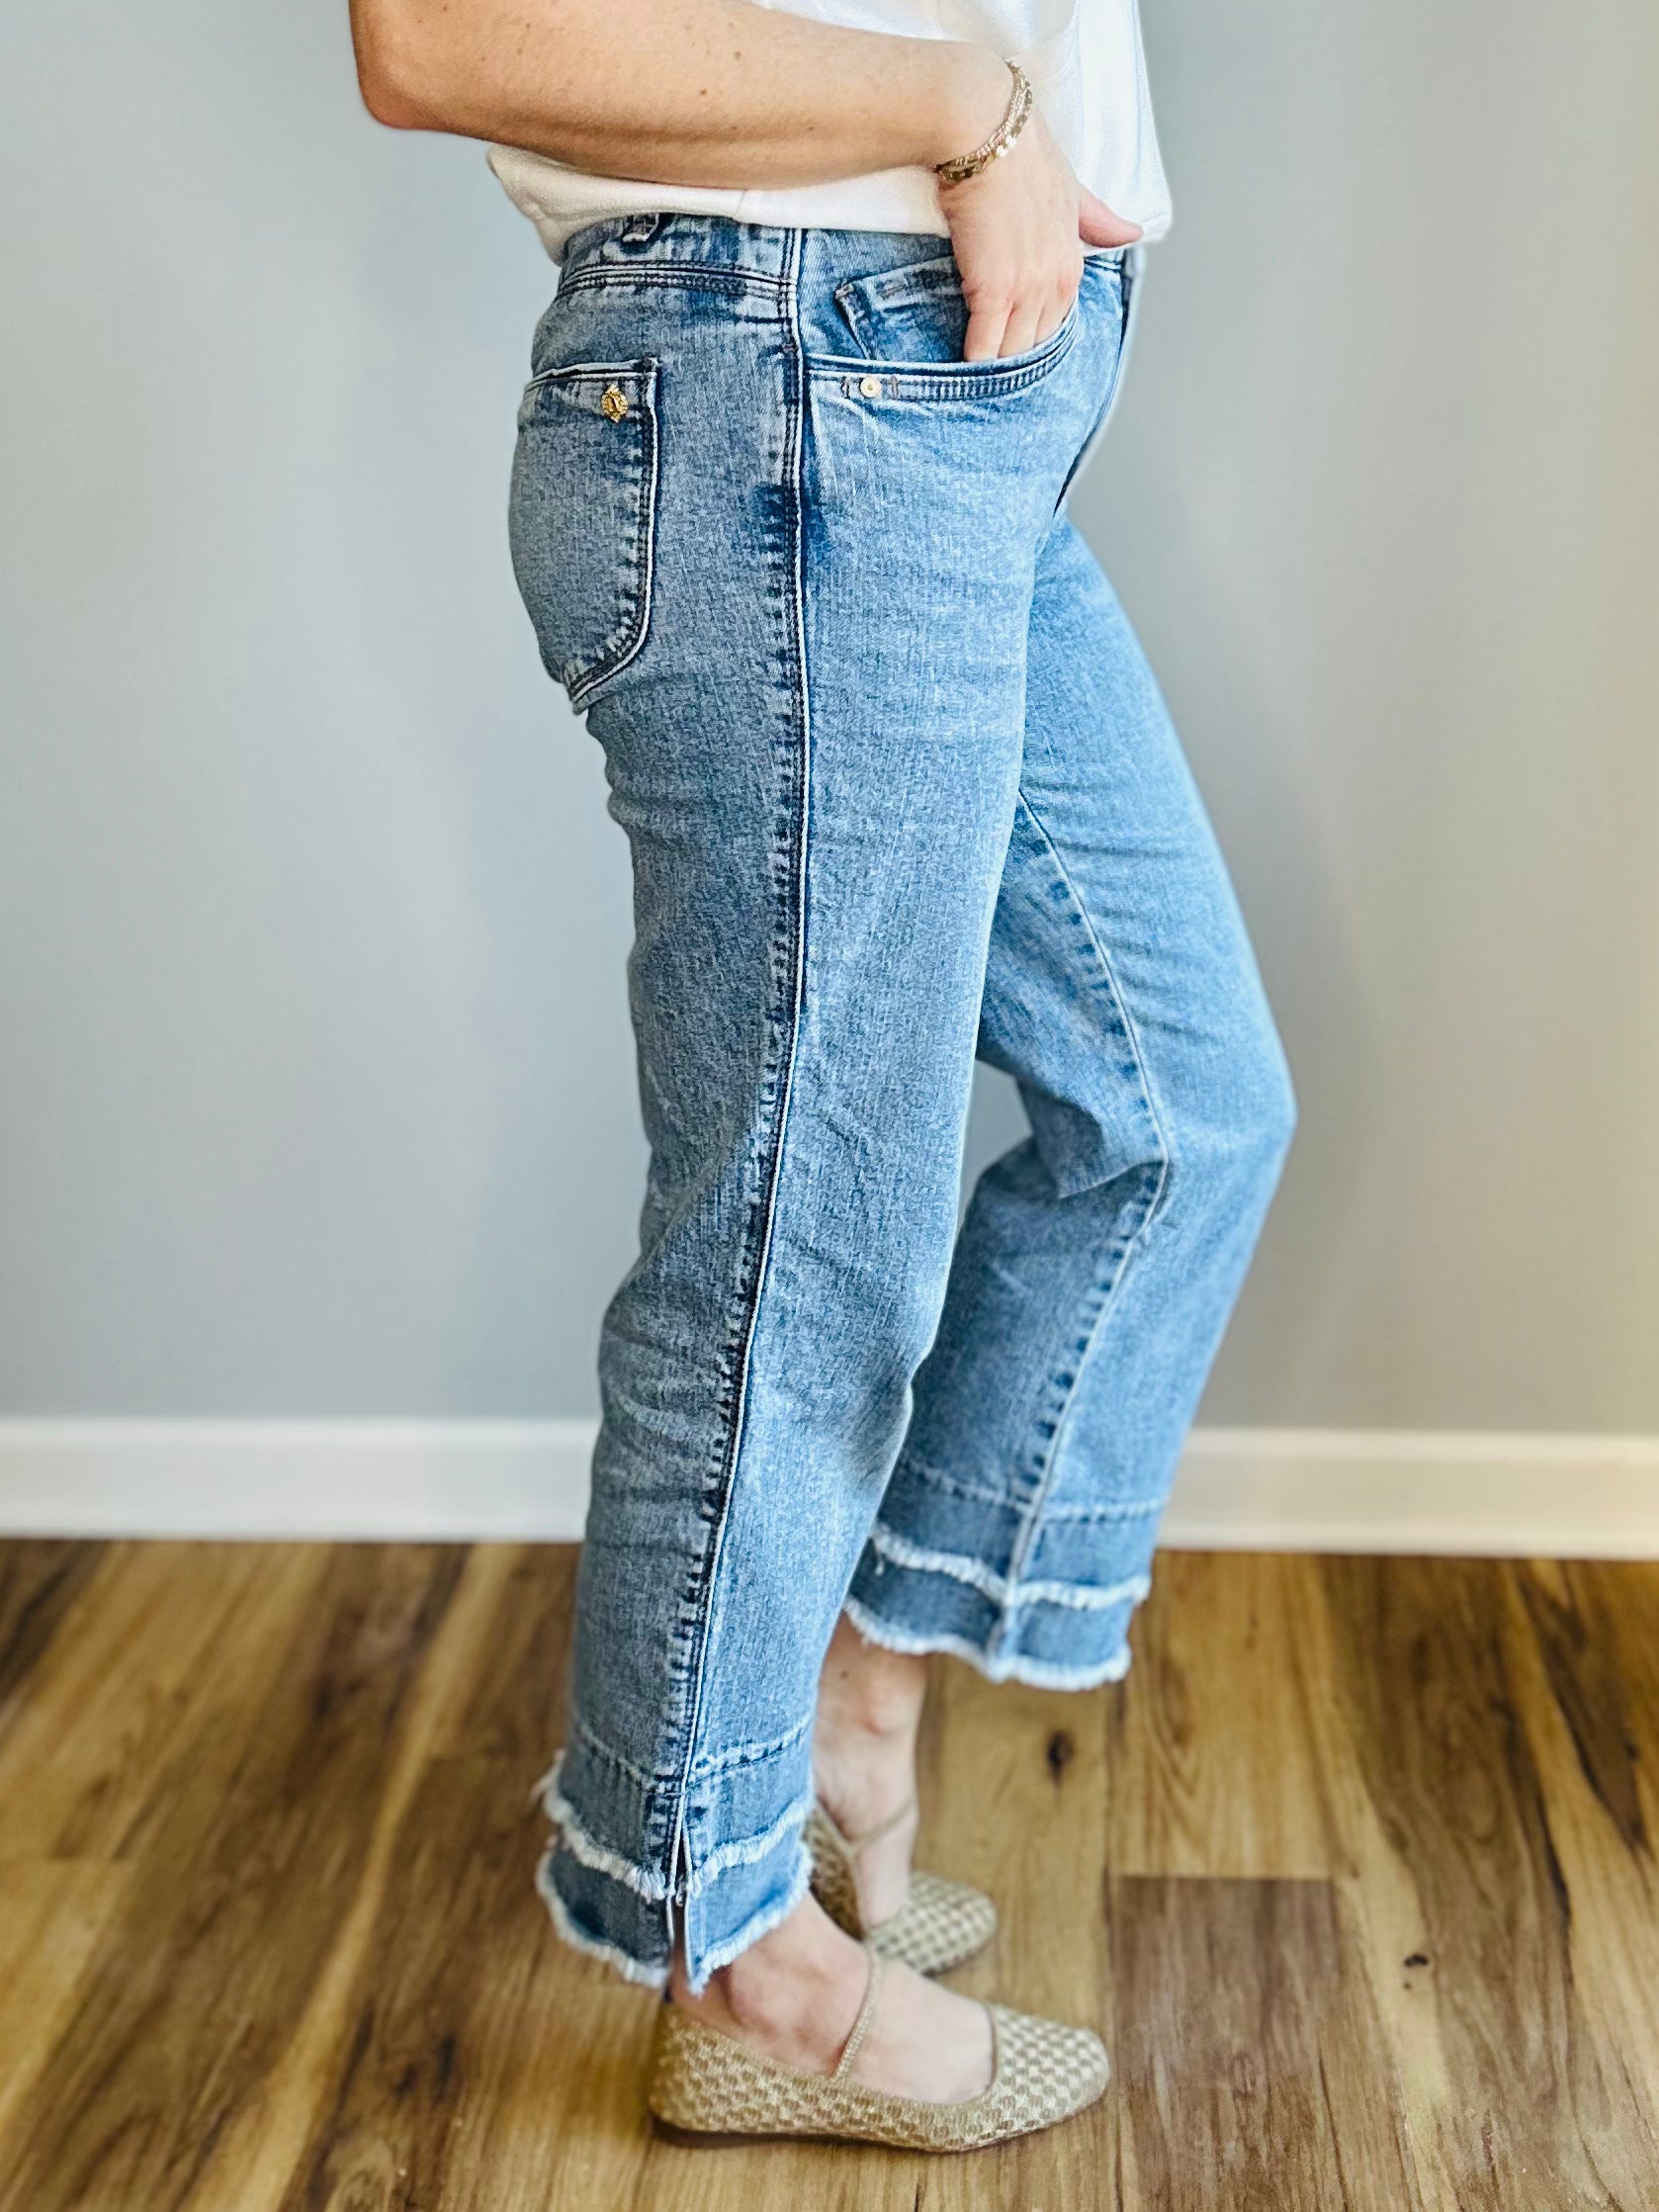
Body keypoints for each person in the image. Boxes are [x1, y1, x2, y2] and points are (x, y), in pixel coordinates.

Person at [348, 0, 1296, 2154]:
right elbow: (435, 32)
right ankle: (732, 1949)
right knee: (795, 1240)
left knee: (1176, 1109)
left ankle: (844, 1707)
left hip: (948, 390)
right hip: (788, 378)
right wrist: (970, 108)